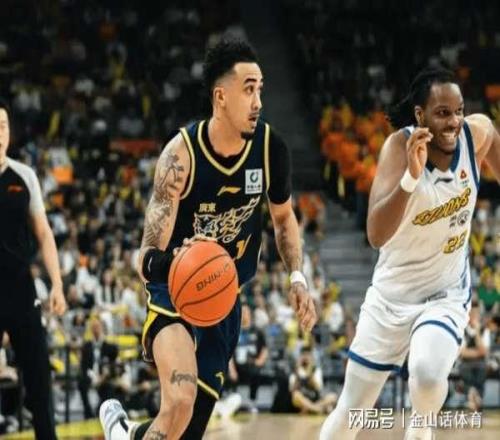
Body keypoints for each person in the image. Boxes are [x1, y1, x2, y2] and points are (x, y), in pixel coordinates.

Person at [99, 39, 317, 440]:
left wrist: (297, 277)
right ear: (221, 96)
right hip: (175, 292)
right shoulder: (180, 157)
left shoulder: (271, 150)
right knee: (179, 402)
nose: (258, 102)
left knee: (190, 429)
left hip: (224, 296)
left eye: (260, 89)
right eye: (248, 89)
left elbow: (284, 220)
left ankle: (125, 434)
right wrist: (178, 263)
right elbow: (146, 256)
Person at [319, 67, 500, 440]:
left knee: (429, 376)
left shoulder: (476, 134)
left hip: (444, 293)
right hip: (392, 296)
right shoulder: (397, 149)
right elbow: (375, 234)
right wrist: (410, 179)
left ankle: (420, 429)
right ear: (420, 115)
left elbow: (491, 140)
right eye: (442, 113)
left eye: (458, 111)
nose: (453, 122)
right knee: (351, 412)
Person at [0, 98, 67, 439]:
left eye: (2, 126)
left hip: (21, 289)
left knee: (39, 378)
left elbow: (44, 234)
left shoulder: (24, 175)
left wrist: (57, 284)